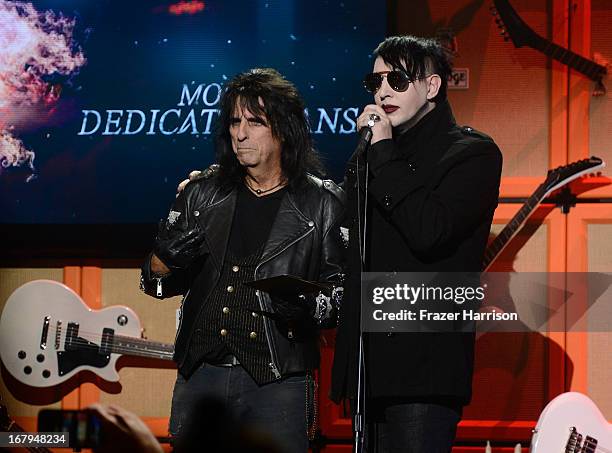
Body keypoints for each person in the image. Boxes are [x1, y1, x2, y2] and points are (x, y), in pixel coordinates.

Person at [140, 68, 345, 453]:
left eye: (254, 122)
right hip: (200, 376)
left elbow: (342, 295)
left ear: (283, 129)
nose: (240, 133)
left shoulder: (323, 204)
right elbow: (157, 283)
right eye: (234, 121)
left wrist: (307, 306)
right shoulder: (201, 193)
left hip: (278, 379)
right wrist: (161, 262)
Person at [330, 35, 503, 452]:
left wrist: (384, 150)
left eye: (398, 79)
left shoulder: (472, 153)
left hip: (424, 368)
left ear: (431, 86)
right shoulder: (371, 155)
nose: (383, 90)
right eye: (375, 82)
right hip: (368, 365)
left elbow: (430, 231)